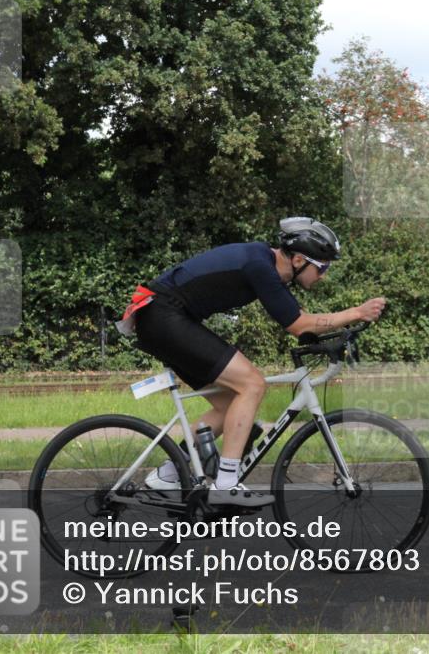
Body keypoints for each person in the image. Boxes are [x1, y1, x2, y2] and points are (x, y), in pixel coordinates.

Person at [123, 217, 386, 507]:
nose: (324, 275)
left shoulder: (266, 266)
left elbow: (305, 324)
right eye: (322, 267)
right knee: (252, 384)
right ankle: (226, 483)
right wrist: (356, 313)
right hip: (164, 315)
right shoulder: (259, 266)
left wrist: (336, 336)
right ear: (299, 259)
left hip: (162, 317)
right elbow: (298, 325)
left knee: (228, 402)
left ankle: (167, 475)